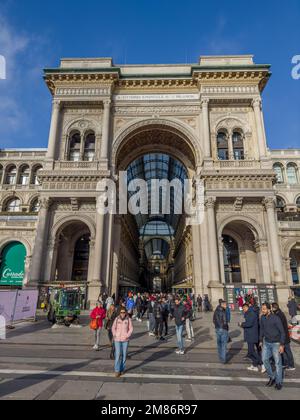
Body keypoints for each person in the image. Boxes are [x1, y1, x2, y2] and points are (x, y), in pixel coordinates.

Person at [259, 302, 286, 391]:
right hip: (266, 342)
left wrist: (282, 345)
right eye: (262, 309)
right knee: (264, 360)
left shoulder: (276, 318)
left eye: (264, 309)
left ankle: (278, 382)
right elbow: (262, 329)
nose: (262, 311)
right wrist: (260, 341)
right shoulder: (262, 318)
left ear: (269, 309)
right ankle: (272, 377)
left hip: (276, 343)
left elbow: (282, 332)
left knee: (278, 363)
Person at [272, 302, 296, 372]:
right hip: (284, 335)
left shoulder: (279, 315)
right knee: (284, 351)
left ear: (274, 308)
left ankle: (291, 365)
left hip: (284, 336)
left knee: (287, 351)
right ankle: (285, 363)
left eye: (272, 308)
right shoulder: (279, 313)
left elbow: (279, 327)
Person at [239, 303, 261, 372]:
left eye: (244, 309)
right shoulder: (249, 313)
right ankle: (255, 365)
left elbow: (249, 323)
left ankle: (262, 362)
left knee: (251, 351)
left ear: (246, 307)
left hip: (252, 334)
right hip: (250, 334)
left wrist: (241, 324)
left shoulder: (251, 313)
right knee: (251, 351)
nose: (243, 310)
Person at [111, 309, 133, 378]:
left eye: (123, 312)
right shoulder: (117, 319)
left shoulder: (128, 319)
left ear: (125, 313)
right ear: (119, 313)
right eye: (121, 312)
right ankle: (117, 371)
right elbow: (113, 327)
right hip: (117, 339)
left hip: (125, 340)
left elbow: (131, 328)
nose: (122, 313)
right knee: (117, 354)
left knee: (123, 355)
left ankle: (122, 369)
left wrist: (127, 335)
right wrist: (114, 334)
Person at [213, 300, 229, 364]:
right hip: (223, 329)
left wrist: (217, 326)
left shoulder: (216, 310)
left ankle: (220, 357)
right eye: (225, 305)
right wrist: (226, 328)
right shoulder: (223, 311)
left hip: (217, 329)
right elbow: (225, 321)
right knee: (223, 345)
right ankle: (223, 359)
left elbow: (213, 320)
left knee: (219, 344)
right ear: (222, 305)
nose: (226, 306)